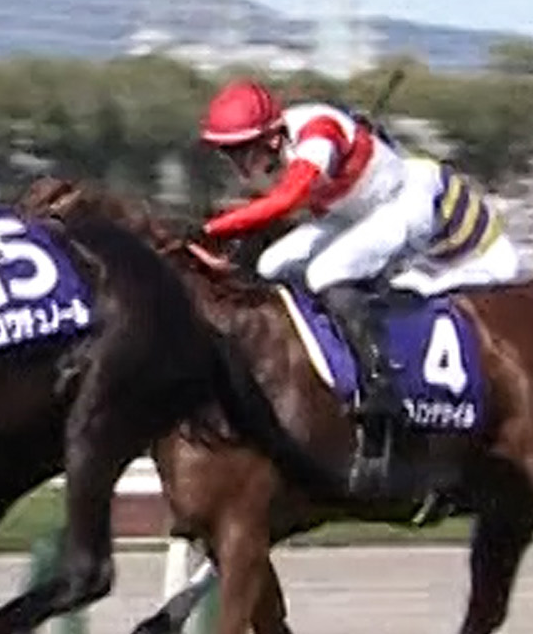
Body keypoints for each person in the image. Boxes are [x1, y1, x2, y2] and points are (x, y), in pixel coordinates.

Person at [196, 77, 522, 439]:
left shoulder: (318, 134)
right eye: (228, 152)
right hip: (356, 213)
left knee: (326, 272)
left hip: (403, 205)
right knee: (271, 265)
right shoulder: (274, 150)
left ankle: (381, 384)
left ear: (271, 139)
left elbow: (286, 200)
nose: (237, 164)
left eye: (241, 150)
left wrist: (208, 231)